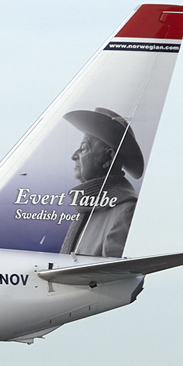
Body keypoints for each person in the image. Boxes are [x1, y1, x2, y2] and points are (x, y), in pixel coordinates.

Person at [59, 107, 144, 257]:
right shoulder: (91, 208)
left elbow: (115, 276)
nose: (74, 156)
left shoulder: (125, 212)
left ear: (109, 157)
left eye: (84, 148)